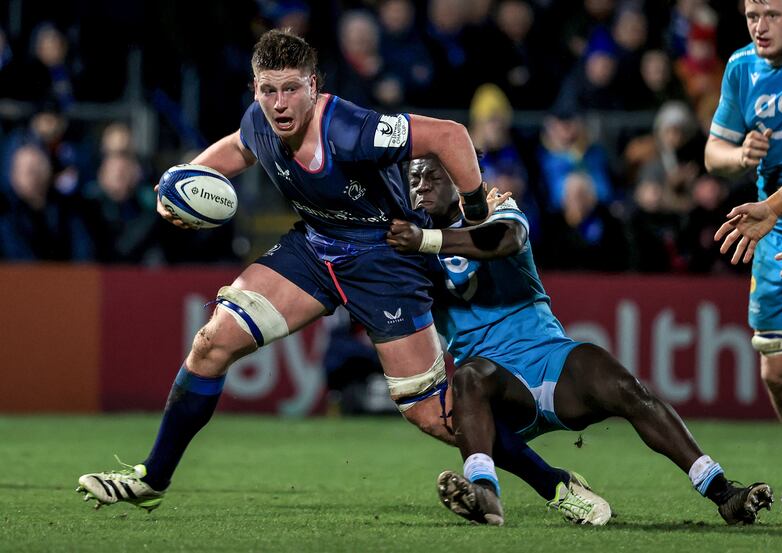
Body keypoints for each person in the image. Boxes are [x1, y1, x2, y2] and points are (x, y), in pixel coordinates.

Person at [76, 29, 491, 512]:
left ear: (314, 86)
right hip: (314, 249)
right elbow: (236, 148)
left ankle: (554, 482)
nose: (279, 102)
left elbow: (449, 135)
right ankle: (152, 478)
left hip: (384, 257)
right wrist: (179, 185)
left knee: (432, 415)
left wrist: (476, 210)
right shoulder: (259, 120)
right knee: (211, 343)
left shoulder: (353, 128)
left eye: (291, 88)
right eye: (268, 90)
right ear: (255, 89)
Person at [385, 155, 774, 526]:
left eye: (432, 177)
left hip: (551, 359)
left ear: (459, 177)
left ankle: (723, 493)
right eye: (414, 179)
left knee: (626, 387)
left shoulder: (496, 209)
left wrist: (427, 240)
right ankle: (485, 494)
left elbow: (506, 240)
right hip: (499, 387)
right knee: (468, 377)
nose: (421, 187)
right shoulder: (407, 247)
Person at [705, 0, 782, 501]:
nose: (761, 27)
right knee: (779, 371)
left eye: (772, 15)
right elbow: (712, 152)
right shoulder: (742, 68)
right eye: (751, 16)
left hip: (780, 212)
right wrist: (739, 155)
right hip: (774, 229)